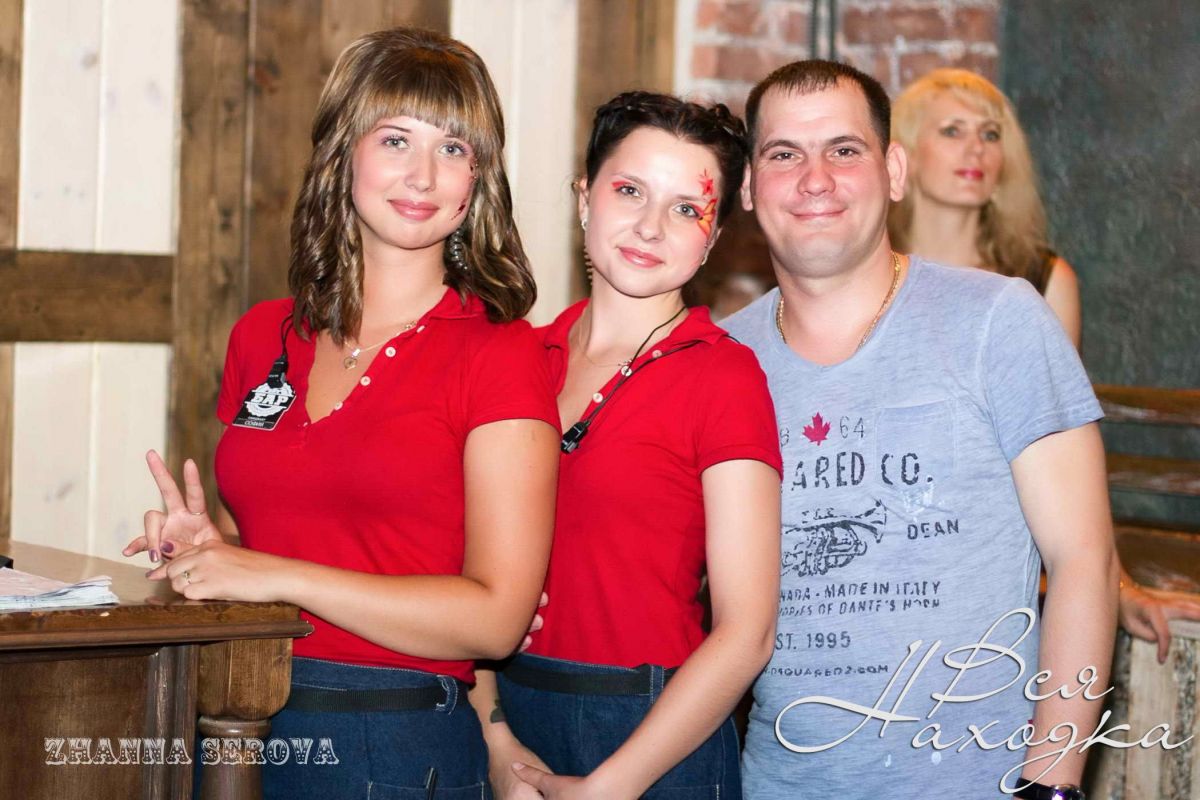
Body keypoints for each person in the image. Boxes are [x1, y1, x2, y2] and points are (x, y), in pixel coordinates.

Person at [123, 28, 559, 799]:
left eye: (453, 148)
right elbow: (301, 542)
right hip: (229, 710)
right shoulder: (263, 334)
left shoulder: (498, 352)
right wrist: (214, 552)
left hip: (390, 739)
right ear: (342, 152)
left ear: (477, 180)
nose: (423, 174)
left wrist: (267, 573)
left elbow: (496, 618)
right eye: (395, 139)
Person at [723, 60, 1118, 798]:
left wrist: (1053, 783)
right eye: (784, 154)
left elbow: (1083, 560)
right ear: (748, 186)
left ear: (893, 171)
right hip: (778, 782)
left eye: (844, 149)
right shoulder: (719, 361)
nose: (815, 179)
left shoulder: (999, 319)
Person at [469, 92, 783, 800]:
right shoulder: (516, 359)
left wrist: (614, 784)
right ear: (585, 198)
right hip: (504, 720)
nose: (650, 226)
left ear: (713, 236)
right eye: (630, 190)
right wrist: (496, 741)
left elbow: (748, 632)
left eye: (686, 208)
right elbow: (458, 571)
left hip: (654, 731)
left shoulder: (724, 376)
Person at [890, 67, 1200, 663]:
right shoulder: (870, 276)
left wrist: (1118, 587)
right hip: (889, 554)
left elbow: (1064, 454)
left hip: (1000, 568)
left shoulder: (1042, 280)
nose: (976, 149)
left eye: (990, 134)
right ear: (903, 153)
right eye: (952, 130)